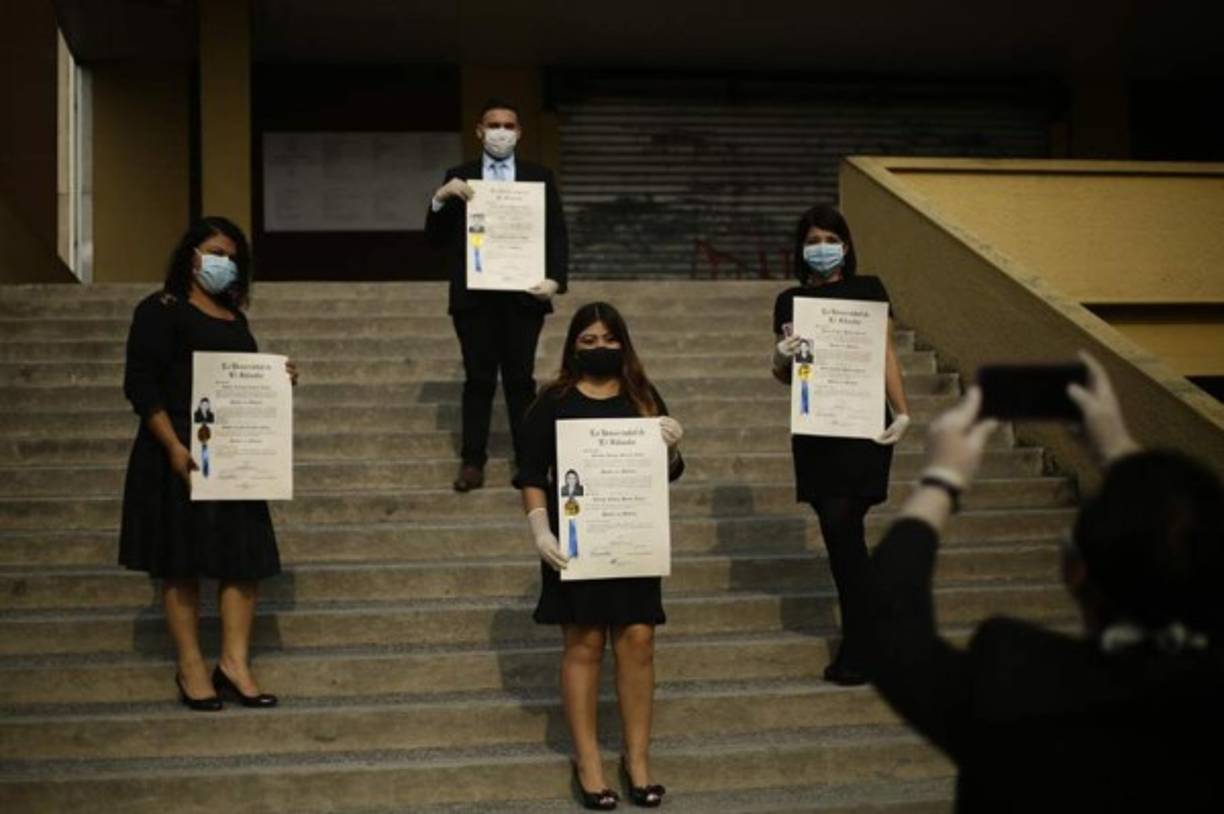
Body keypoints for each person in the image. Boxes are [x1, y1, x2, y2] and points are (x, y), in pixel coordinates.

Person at [866, 352, 1224, 811]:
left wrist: (941, 479)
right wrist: (1116, 449)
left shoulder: (1017, 682)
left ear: (1073, 570)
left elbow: (890, 625)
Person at [119, 216, 298, 711]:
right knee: (181, 564)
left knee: (244, 561)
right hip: (178, 452)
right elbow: (141, 384)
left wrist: (279, 380)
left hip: (236, 455)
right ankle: (191, 664)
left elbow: (245, 382)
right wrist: (173, 445)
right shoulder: (160, 310)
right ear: (191, 255)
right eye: (215, 251)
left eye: (233, 256)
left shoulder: (234, 318)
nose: (224, 262)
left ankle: (234, 663)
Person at [514, 302, 684, 810]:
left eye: (609, 338)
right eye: (588, 340)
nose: (600, 348)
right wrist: (540, 531)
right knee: (584, 643)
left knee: (638, 640)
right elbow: (530, 474)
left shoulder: (642, 396)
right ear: (572, 347)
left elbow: (668, 471)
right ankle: (587, 761)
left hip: (633, 537)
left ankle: (638, 760)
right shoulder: (553, 402)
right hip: (577, 544)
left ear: (624, 343)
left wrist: (672, 449)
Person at [770, 203, 910, 685]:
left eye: (830, 239)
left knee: (843, 527)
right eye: (813, 241)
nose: (822, 248)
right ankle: (877, 632)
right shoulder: (789, 302)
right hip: (817, 430)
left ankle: (861, 647)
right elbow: (791, 377)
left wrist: (904, 409)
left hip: (863, 425)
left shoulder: (870, 291)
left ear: (846, 246)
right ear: (801, 250)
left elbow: (886, 353)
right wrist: (779, 358)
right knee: (841, 537)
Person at [426, 97, 570, 493]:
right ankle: (473, 461)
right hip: (475, 298)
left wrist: (555, 279)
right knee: (478, 379)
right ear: (479, 131)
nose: (501, 132)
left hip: (524, 295)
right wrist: (440, 198)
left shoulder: (539, 176)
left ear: (519, 133)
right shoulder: (461, 176)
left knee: (521, 380)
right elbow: (435, 239)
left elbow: (556, 232)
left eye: (509, 125)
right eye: (494, 125)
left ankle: (529, 464)